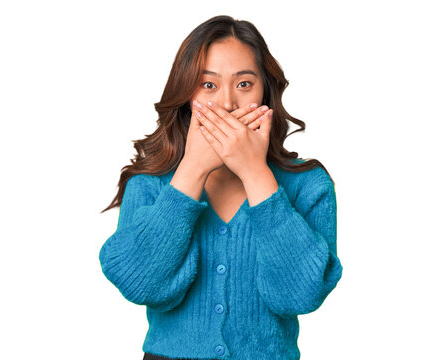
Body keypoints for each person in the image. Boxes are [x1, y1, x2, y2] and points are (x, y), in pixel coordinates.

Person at [99, 15, 343, 360]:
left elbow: (299, 297)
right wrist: (192, 170)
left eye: (244, 84)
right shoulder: (151, 181)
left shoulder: (308, 184)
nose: (228, 104)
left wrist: (257, 174)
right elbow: (141, 284)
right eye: (208, 85)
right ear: (186, 94)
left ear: (266, 92)